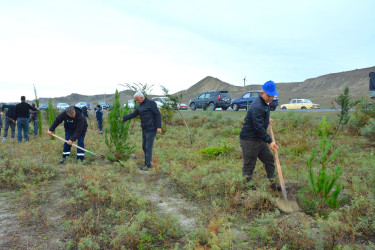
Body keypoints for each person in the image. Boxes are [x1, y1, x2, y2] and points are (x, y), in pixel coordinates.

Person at [239, 80, 283, 190]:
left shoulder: (263, 103)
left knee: (269, 159)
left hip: (258, 139)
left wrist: (266, 119)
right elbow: (258, 127)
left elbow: (258, 120)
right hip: (249, 139)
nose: (271, 98)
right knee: (249, 165)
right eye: (269, 95)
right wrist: (270, 141)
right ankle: (247, 190)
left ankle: (273, 184)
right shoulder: (258, 106)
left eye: (273, 95)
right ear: (262, 93)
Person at [120, 91, 162, 171]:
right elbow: (133, 114)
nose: (136, 102)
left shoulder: (151, 103)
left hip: (151, 128)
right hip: (145, 129)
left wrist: (159, 127)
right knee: (144, 146)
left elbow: (157, 114)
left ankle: (148, 165)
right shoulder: (140, 105)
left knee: (148, 147)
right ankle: (147, 163)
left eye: (137, 100)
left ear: (142, 97)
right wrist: (123, 118)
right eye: (136, 100)